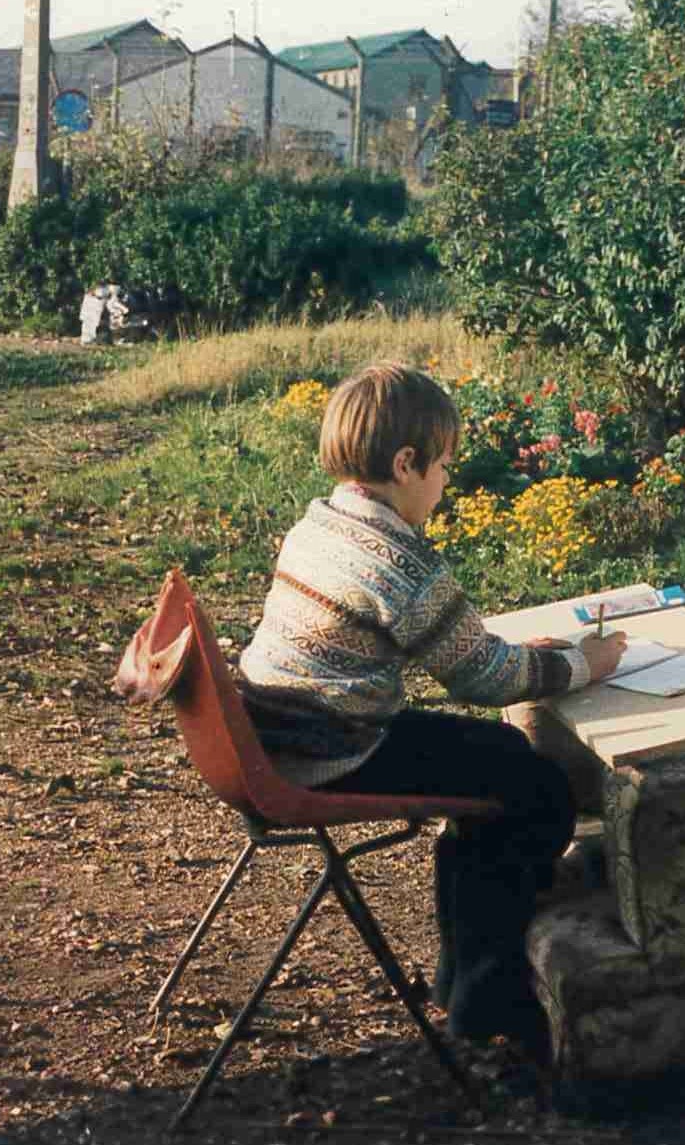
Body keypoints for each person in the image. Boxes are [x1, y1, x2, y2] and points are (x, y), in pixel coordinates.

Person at [236, 361, 627, 1047]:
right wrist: (580, 664)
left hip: (284, 731)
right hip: (336, 749)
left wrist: (507, 654)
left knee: (502, 763)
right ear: (407, 462)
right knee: (536, 791)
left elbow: (464, 650)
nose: (447, 484)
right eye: (444, 467)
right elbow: (483, 680)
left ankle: (461, 978)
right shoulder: (395, 559)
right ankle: (490, 1001)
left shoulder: (321, 522)